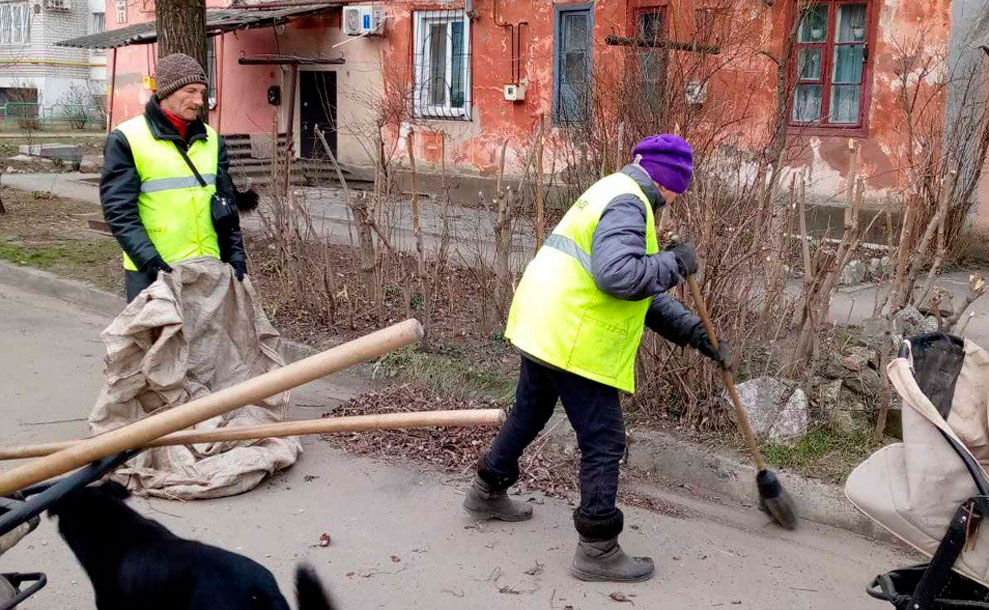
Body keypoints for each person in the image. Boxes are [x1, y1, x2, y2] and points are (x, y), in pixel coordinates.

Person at [463, 134, 731, 583]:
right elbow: (618, 277)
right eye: (676, 191)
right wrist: (675, 264)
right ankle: (598, 548)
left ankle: (486, 490)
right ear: (668, 182)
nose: (672, 201)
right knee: (604, 441)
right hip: (574, 334)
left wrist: (691, 332)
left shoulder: (610, 190)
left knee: (529, 413)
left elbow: (636, 290)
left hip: (545, 322)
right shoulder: (630, 205)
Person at [100, 52, 253, 303]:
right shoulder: (127, 138)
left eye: (202, 93)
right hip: (154, 270)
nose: (198, 101)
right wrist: (151, 262)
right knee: (160, 342)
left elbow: (227, 205)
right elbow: (119, 211)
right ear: (167, 92)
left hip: (208, 268)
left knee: (205, 343)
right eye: (190, 91)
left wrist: (236, 256)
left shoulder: (212, 140)